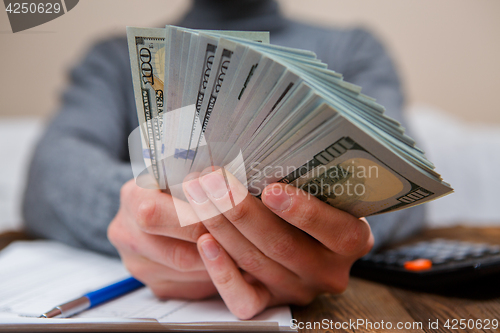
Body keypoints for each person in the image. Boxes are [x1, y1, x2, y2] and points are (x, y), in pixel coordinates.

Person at [23, 0, 425, 319]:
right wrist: (147, 213)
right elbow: (49, 177)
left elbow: (405, 178)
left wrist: (304, 231)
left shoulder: (353, 48)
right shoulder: (114, 58)